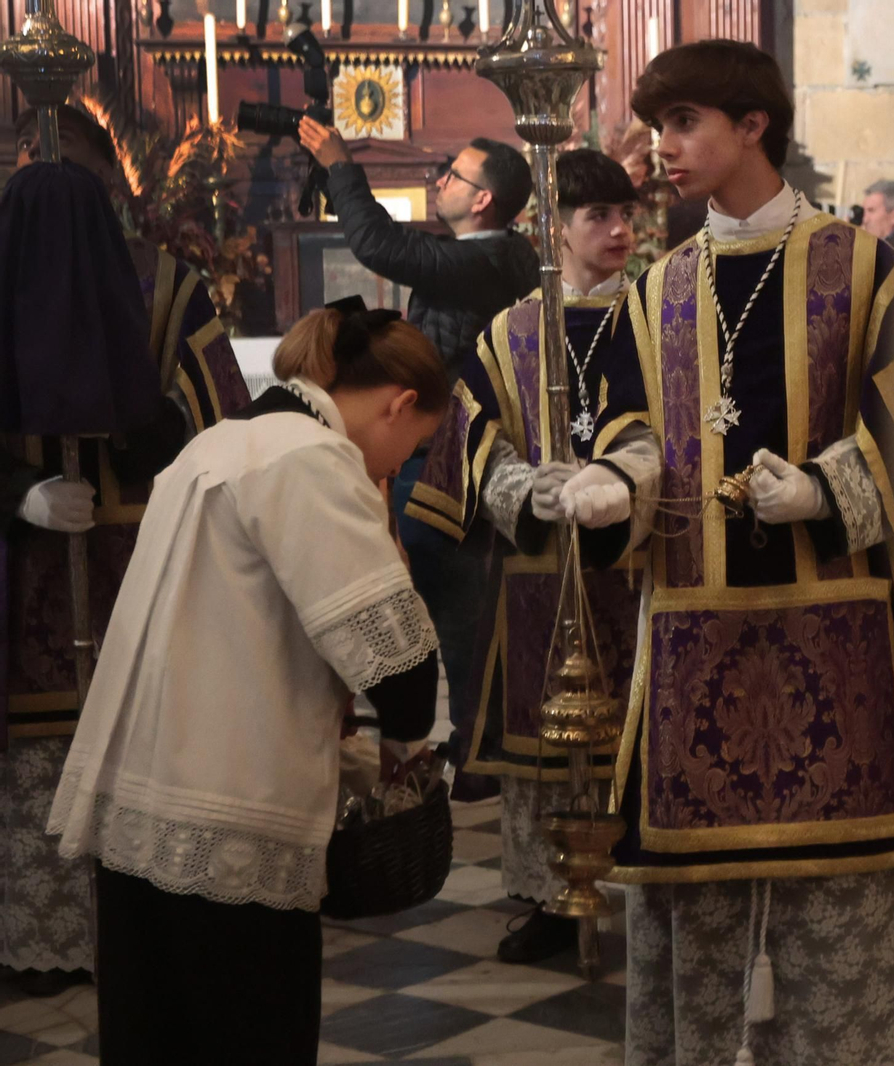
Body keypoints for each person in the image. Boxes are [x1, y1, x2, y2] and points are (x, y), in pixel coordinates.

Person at [556, 39, 894, 1066]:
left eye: (684, 125)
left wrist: (830, 483)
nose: (660, 149)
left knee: (837, 908)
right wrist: (612, 484)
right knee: (689, 909)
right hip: (687, 631)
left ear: (752, 125)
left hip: (833, 629)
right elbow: (635, 428)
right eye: (658, 126)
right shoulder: (660, 282)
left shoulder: (861, 264)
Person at [48, 302, 449, 1065]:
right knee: (246, 1036)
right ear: (399, 404)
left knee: (153, 1034)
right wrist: (405, 742)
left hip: (143, 804)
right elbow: (397, 664)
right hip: (229, 815)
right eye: (413, 445)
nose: (395, 469)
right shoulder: (308, 457)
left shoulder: (216, 444)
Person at [2, 105, 251, 998]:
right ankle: (41, 938)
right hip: (21, 566)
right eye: (30, 167)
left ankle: (151, 927)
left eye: (69, 168)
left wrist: (151, 432)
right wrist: (17, 492)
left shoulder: (165, 285)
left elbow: (228, 426)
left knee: (141, 749)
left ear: (108, 180)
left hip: (138, 562)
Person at [404, 147, 653, 964]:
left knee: (637, 730)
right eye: (599, 218)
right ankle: (552, 897)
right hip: (537, 571)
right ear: (556, 227)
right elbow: (473, 430)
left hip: (637, 567)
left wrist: (623, 483)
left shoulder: (656, 318)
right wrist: (521, 490)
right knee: (542, 741)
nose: (619, 232)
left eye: (627, 216)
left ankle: (648, 885)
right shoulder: (514, 328)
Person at [298, 118, 540, 788]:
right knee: (449, 604)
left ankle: (479, 749)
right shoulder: (483, 255)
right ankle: (472, 739)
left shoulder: (487, 259)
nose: (442, 183)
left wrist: (340, 162)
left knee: (459, 610)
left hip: (453, 462)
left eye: (454, 175)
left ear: (484, 199)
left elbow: (378, 244)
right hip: (436, 453)